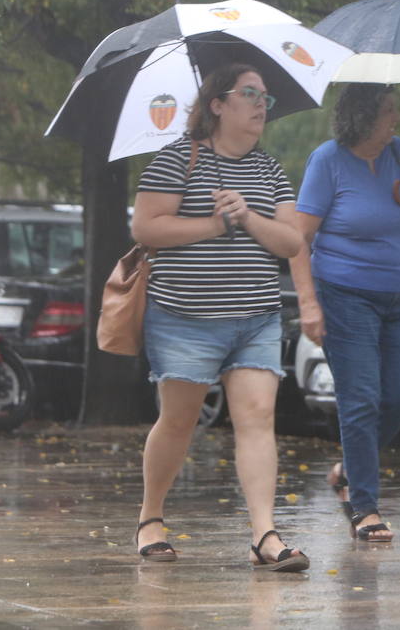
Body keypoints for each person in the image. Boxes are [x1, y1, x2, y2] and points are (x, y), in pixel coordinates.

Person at [130, 63, 310, 572]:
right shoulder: (176, 161)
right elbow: (147, 227)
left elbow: (292, 241)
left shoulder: (268, 169)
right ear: (217, 104)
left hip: (255, 318)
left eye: (265, 99)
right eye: (249, 95)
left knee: (257, 419)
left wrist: (248, 215)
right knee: (180, 420)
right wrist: (215, 224)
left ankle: (265, 536)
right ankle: (150, 518)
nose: (260, 106)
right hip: (185, 316)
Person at [290, 83, 400, 542]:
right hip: (345, 296)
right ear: (362, 116)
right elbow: (298, 239)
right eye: (387, 111)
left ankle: (351, 464)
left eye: (395, 111)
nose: (394, 118)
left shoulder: (398, 152)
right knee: (362, 399)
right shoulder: (327, 161)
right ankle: (365, 506)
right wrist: (309, 304)